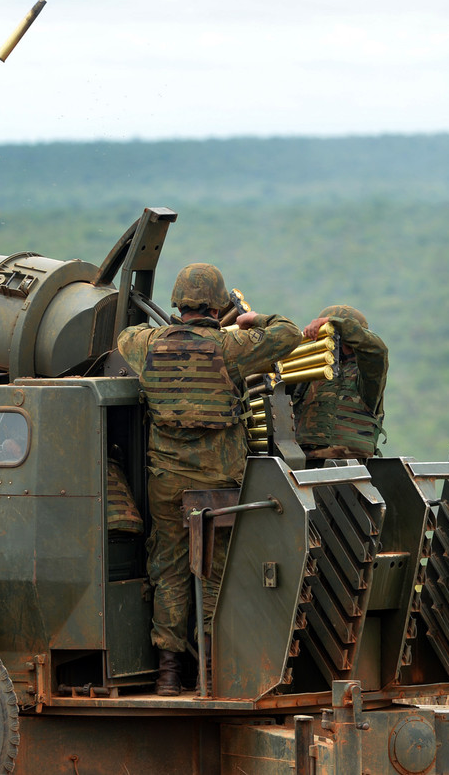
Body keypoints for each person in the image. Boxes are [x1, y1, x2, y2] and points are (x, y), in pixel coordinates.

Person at [116, 263, 302, 695]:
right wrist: (251, 318)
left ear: (178, 302)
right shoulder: (230, 347)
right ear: (217, 306)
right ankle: (211, 671)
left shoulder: (146, 345)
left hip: (167, 482)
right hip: (219, 483)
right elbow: (290, 333)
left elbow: (126, 335)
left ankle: (168, 674)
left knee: (169, 571)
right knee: (216, 573)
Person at [296, 305, 388, 466]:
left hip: (348, 466)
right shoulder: (311, 372)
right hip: (303, 462)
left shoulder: (365, 378)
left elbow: (377, 351)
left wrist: (333, 322)